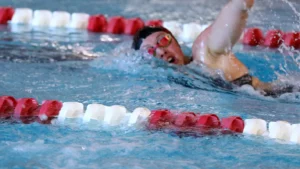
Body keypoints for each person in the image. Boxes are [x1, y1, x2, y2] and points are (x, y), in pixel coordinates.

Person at [132, 0, 297, 97]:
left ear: (175, 39)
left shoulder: (205, 53)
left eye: (163, 40)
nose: (161, 51)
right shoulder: (165, 83)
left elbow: (237, 9)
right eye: (150, 51)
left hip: (280, 95)